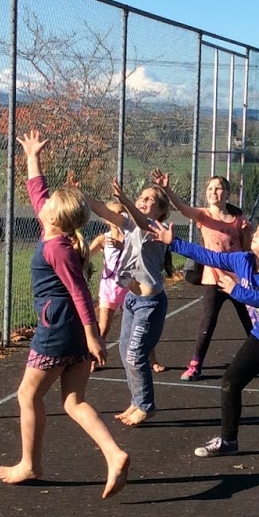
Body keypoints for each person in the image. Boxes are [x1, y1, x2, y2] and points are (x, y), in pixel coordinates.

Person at [0, 129, 129, 498]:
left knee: (28, 395)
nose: (43, 204)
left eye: (50, 203)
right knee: (73, 400)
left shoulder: (57, 247)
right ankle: (114, 454)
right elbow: (37, 191)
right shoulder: (56, 231)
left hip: (59, 330)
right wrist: (32, 156)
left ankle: (30, 464)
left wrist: (93, 336)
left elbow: (80, 292)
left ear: (56, 215)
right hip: (71, 331)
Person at [150, 215, 259, 458]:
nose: (255, 234)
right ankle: (228, 440)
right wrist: (173, 242)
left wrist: (236, 290)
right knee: (231, 381)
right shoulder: (242, 260)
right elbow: (209, 256)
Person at [159, 172, 254, 382]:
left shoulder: (238, 219)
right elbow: (182, 208)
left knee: (249, 320)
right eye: (210, 188)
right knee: (207, 323)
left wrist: (247, 232)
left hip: (238, 280)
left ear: (227, 193)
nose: (213, 192)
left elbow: (246, 247)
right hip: (213, 279)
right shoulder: (203, 215)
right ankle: (195, 365)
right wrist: (167, 190)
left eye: (218, 188)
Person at [98, 180, 174, 427]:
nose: (143, 200)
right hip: (132, 299)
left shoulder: (158, 228)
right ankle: (137, 400)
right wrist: (79, 195)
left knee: (135, 353)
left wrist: (126, 201)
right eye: (141, 196)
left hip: (149, 304)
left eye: (149, 199)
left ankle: (146, 406)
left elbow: (142, 222)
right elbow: (105, 211)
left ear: (161, 210)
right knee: (124, 351)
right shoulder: (130, 224)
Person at [89, 210, 128, 340]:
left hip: (129, 287)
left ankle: (146, 354)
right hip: (109, 287)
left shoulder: (132, 238)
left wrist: (123, 246)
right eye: (113, 213)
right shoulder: (103, 239)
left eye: (121, 213)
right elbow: (86, 256)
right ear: (106, 219)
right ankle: (96, 352)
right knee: (103, 327)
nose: (117, 216)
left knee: (133, 325)